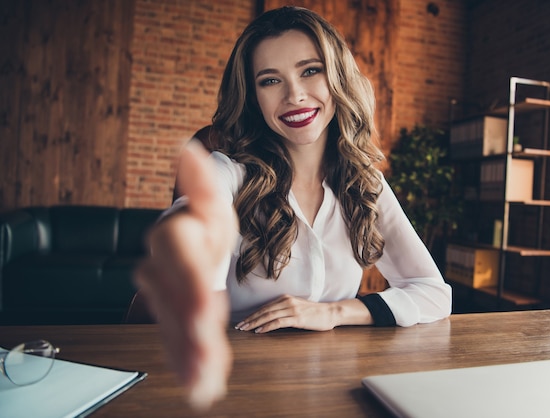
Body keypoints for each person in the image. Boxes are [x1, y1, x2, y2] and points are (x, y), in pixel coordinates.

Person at [134, 5, 452, 411]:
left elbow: (433, 294)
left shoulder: (365, 183)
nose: (294, 95)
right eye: (270, 80)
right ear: (253, 97)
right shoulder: (228, 173)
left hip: (335, 390)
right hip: (237, 392)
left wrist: (335, 312)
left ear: (336, 77)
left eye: (309, 71)